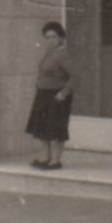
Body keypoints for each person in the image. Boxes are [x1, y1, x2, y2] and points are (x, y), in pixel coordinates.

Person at [25, 21, 73, 170]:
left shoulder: (64, 54)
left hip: (57, 95)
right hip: (43, 94)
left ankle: (56, 161)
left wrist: (63, 93)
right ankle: (46, 158)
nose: (50, 40)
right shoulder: (50, 52)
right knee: (42, 127)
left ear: (61, 38)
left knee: (56, 128)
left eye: (53, 37)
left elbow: (76, 76)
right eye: (47, 37)